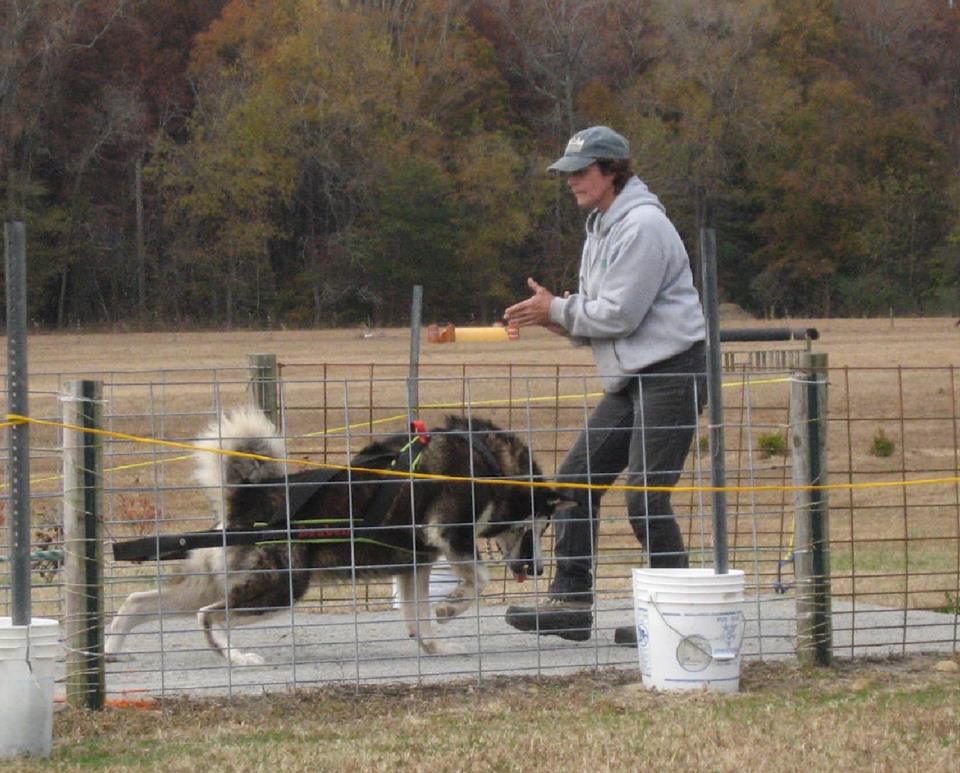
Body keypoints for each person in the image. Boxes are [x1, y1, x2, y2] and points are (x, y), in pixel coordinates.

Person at [503, 125, 706, 644]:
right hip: (634, 375)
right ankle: (570, 604)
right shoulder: (602, 226)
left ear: (612, 170)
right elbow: (603, 317)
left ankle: (675, 619)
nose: (571, 180)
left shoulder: (642, 227)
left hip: (672, 372)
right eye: (567, 172)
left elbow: (618, 314)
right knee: (574, 484)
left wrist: (561, 309)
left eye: (581, 171)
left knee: (644, 498)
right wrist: (561, 318)